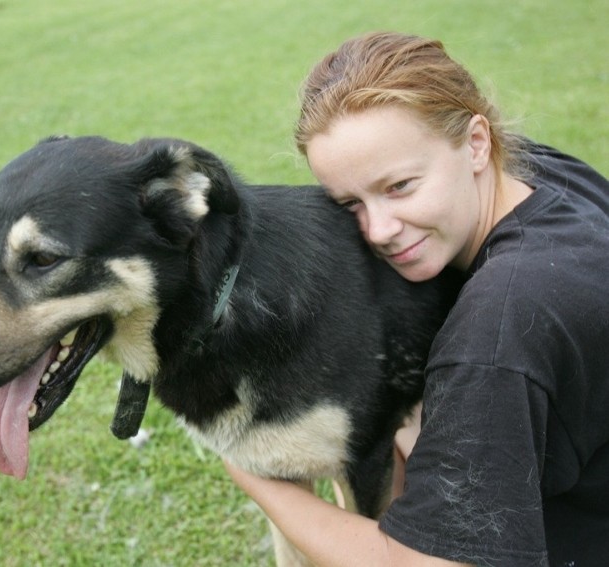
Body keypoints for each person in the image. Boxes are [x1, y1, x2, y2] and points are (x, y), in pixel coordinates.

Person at [224, 31, 609, 566]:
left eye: (400, 186)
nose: (378, 229)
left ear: (476, 142)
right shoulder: (540, 174)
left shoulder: (499, 330)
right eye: (349, 203)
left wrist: (258, 476)